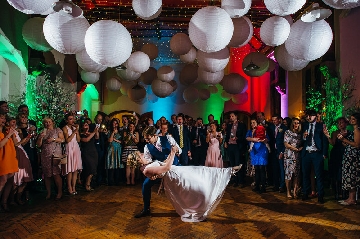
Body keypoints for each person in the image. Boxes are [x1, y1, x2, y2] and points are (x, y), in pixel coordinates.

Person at [136, 145, 242, 222]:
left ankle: (228, 171)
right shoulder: (146, 170)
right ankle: (201, 206)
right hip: (174, 176)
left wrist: (171, 153)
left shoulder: (148, 166)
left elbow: (164, 163)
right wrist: (172, 153)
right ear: (138, 161)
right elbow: (166, 168)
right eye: (140, 155)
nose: (143, 154)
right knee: (195, 186)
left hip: (176, 171)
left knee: (201, 170)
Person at [134, 126, 181, 218]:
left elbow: (179, 150)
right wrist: (152, 173)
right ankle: (146, 209)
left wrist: (175, 150)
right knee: (146, 185)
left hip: (174, 167)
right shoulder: (147, 146)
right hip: (160, 169)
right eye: (146, 139)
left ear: (154, 135)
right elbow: (148, 161)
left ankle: (186, 208)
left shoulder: (168, 138)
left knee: (183, 185)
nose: (147, 141)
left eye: (148, 138)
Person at [301, 110, 328, 204]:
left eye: (311, 116)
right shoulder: (305, 125)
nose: (309, 118)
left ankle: (320, 195)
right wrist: (304, 137)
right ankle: (305, 193)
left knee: (319, 175)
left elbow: (324, 140)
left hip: (317, 153)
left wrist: (324, 153)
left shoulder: (321, 126)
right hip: (307, 152)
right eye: (307, 116)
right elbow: (302, 139)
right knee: (305, 174)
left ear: (315, 116)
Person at [36, 117, 65, 200]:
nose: (47, 123)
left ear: (52, 122)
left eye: (49, 122)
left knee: (56, 174)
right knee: (47, 174)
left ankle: (59, 192)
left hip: (55, 154)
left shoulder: (57, 130)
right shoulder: (42, 131)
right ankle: (48, 193)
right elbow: (38, 145)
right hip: (45, 155)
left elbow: (62, 139)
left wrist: (53, 139)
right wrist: (41, 137)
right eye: (45, 122)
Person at [8, 116, 33, 205]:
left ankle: (18, 198)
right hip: (17, 153)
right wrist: (23, 140)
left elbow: (22, 143)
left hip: (22, 152)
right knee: (17, 179)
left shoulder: (16, 131)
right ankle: (12, 199)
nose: (14, 124)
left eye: (15, 122)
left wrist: (29, 137)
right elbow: (16, 144)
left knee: (24, 179)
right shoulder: (11, 132)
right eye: (13, 122)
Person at [337, 112, 360, 206]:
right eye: (350, 119)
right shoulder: (352, 130)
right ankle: (350, 198)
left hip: (353, 158)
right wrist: (344, 140)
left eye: (353, 119)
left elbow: (357, 144)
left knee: (352, 178)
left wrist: (344, 140)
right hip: (349, 156)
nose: (351, 120)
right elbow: (350, 143)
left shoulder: (357, 130)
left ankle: (352, 199)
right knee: (349, 177)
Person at [323, 117, 349, 200]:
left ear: (346, 123)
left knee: (344, 173)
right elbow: (333, 143)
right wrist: (327, 136)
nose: (340, 125)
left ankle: (345, 193)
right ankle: (337, 193)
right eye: (339, 123)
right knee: (336, 173)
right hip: (336, 154)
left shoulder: (349, 133)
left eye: (342, 123)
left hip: (345, 153)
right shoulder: (335, 132)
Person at [0, 113, 18, 212]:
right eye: (1, 118)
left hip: (11, 157)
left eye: (4, 118)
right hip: (3, 159)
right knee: (2, 181)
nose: (3, 120)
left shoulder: (7, 130)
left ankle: (5, 202)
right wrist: (8, 135)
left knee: (10, 181)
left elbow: (16, 143)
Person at [246, 119, 269, 193]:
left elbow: (267, 139)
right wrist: (253, 139)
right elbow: (247, 138)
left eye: (254, 123)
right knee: (256, 168)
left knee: (261, 168)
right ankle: (257, 185)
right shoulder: (250, 131)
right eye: (251, 123)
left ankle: (263, 186)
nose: (252, 124)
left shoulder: (262, 130)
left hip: (262, 150)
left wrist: (263, 139)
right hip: (254, 151)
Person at [225, 112, 247, 187]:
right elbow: (227, 135)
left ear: (236, 116)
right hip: (230, 145)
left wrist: (237, 138)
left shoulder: (241, 125)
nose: (231, 117)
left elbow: (244, 136)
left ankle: (241, 181)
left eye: (232, 116)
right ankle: (235, 180)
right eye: (230, 116)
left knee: (238, 163)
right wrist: (225, 142)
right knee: (232, 163)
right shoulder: (229, 125)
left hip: (237, 146)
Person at [62, 113, 82, 195]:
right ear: (67, 120)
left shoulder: (74, 128)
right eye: (70, 119)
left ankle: (74, 187)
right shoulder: (65, 128)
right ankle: (69, 187)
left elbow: (79, 140)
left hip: (76, 148)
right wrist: (73, 132)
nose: (72, 120)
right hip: (69, 148)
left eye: (73, 119)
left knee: (75, 170)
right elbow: (67, 140)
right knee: (69, 170)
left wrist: (77, 131)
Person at [283, 118, 303, 199]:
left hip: (297, 156)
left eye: (298, 123)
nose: (296, 124)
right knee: (288, 174)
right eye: (294, 123)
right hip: (289, 155)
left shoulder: (300, 135)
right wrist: (296, 149)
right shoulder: (288, 132)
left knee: (296, 174)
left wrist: (299, 149)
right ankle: (288, 191)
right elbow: (286, 144)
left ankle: (294, 192)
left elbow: (301, 144)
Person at [270, 115, 288, 193]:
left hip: (280, 150)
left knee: (281, 169)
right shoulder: (271, 127)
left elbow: (286, 141)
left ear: (279, 120)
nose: (274, 121)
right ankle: (276, 185)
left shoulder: (284, 128)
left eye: (275, 120)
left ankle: (282, 185)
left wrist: (282, 152)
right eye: (273, 120)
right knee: (274, 169)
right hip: (274, 151)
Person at [80, 121, 99, 191]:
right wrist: (94, 132)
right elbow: (86, 140)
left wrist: (96, 131)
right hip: (86, 153)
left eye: (87, 124)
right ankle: (86, 184)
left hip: (93, 152)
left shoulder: (91, 133)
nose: (86, 125)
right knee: (89, 168)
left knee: (93, 168)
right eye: (84, 124)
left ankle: (89, 183)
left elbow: (97, 138)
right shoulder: (81, 134)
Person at [106, 118, 123, 186]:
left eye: (116, 123)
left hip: (118, 149)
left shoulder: (120, 131)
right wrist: (113, 133)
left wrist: (115, 139)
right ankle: (110, 181)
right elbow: (110, 140)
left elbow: (122, 141)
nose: (115, 124)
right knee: (111, 164)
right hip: (111, 149)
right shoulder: (109, 131)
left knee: (118, 164)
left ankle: (117, 180)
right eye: (114, 123)